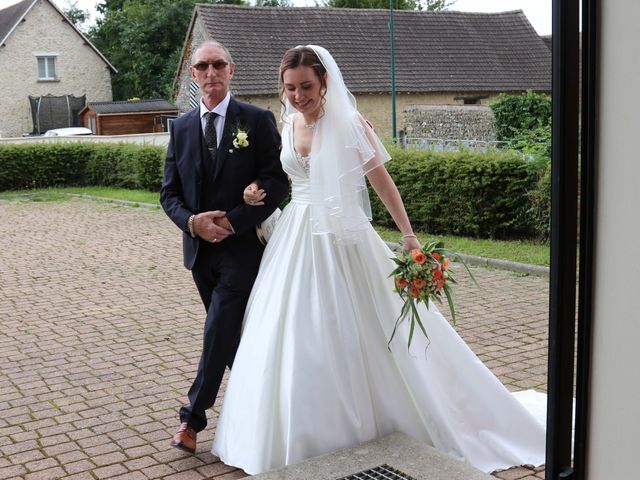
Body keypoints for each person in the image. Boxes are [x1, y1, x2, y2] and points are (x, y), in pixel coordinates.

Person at [211, 45, 546, 475]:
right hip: (296, 236)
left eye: (307, 87)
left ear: (325, 82)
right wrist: (253, 192)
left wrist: (408, 236)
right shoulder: (289, 121)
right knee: (288, 326)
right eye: (291, 88)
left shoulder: (351, 124)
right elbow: (283, 177)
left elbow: (383, 184)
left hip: (345, 240)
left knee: (358, 327)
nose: (298, 95)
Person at [160, 40, 289, 454]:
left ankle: (191, 421)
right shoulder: (179, 129)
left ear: (231, 70)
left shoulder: (256, 119)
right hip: (199, 253)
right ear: (192, 74)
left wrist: (233, 220)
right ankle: (264, 405)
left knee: (216, 329)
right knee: (230, 340)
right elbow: (169, 193)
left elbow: (278, 181)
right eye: (202, 66)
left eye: (218, 65)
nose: (210, 72)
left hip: (241, 250)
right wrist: (193, 222)